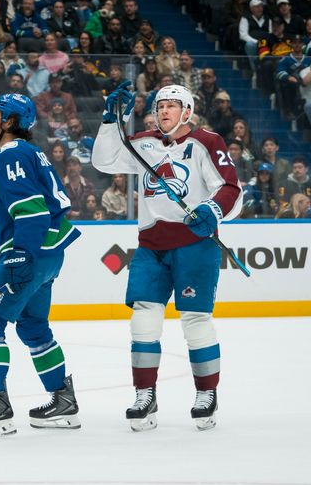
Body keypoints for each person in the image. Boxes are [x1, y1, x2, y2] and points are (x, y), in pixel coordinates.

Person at [92, 83, 242, 432]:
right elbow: (103, 160)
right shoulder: (144, 142)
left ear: (187, 111)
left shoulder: (207, 141)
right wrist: (110, 121)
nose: (163, 111)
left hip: (195, 245)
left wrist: (213, 210)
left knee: (195, 319)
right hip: (150, 246)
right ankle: (145, 394)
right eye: (159, 105)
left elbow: (230, 188)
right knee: (144, 317)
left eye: (172, 105)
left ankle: (207, 394)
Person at [0, 93, 82, 439]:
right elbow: (24, 213)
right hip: (47, 253)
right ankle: (63, 401)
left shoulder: (9, 154)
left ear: (10, 122)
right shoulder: (29, 152)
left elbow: (32, 212)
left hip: (32, 250)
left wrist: (19, 254)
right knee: (32, 326)